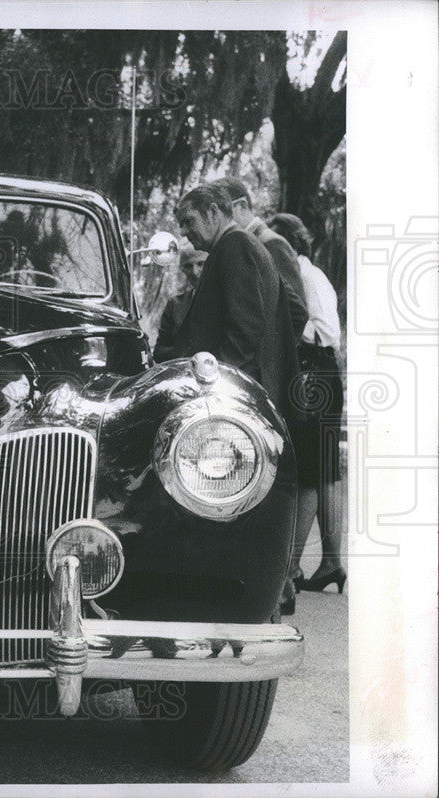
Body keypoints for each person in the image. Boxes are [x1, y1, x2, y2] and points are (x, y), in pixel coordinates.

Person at [174, 183, 303, 615]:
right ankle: (266, 592)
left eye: (189, 221)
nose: (185, 233)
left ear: (214, 211)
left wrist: (218, 387)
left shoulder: (237, 247)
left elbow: (244, 328)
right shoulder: (233, 247)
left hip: (236, 399)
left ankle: (258, 596)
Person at [268, 212, 346, 594]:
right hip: (324, 372)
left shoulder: (304, 278)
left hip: (315, 370)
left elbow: (325, 332)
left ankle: (292, 566)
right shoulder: (315, 275)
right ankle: (331, 561)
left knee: (310, 472)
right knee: (327, 470)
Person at [212, 177, 308, 339]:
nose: (215, 222)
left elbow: (295, 315)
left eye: (219, 212)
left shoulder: (272, 243)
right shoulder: (238, 245)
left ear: (241, 206)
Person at [153, 245, 207, 362]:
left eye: (201, 264)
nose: (195, 272)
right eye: (188, 266)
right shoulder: (175, 304)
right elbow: (159, 352)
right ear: (182, 269)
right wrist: (182, 353)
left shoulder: (227, 300)